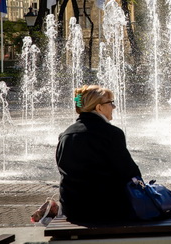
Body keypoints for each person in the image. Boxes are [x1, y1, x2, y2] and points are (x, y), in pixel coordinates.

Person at [56, 85, 141, 223]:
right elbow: (129, 172)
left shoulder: (66, 134)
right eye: (110, 103)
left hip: (72, 210)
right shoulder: (111, 133)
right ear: (99, 108)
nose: (113, 107)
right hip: (107, 209)